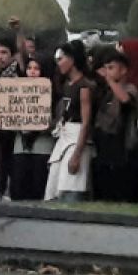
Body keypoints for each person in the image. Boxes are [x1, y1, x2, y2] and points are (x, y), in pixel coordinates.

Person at [92, 47, 138, 203]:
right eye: (106, 68)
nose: (107, 71)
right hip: (103, 146)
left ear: (123, 71)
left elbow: (125, 100)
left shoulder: (130, 89)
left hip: (121, 148)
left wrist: (109, 79)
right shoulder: (105, 91)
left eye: (111, 68)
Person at [46, 42, 96, 202]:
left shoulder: (84, 86)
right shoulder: (67, 84)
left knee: (71, 186)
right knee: (54, 184)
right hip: (64, 135)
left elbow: (86, 122)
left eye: (61, 59)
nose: (58, 63)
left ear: (72, 60)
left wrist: (77, 154)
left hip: (77, 138)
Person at [10, 55, 57, 202]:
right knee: (18, 186)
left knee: (38, 186)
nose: (32, 72)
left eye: (37, 69)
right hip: (20, 144)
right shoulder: (14, 91)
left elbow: (57, 121)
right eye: (29, 68)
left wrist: (41, 125)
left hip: (42, 146)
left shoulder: (55, 94)